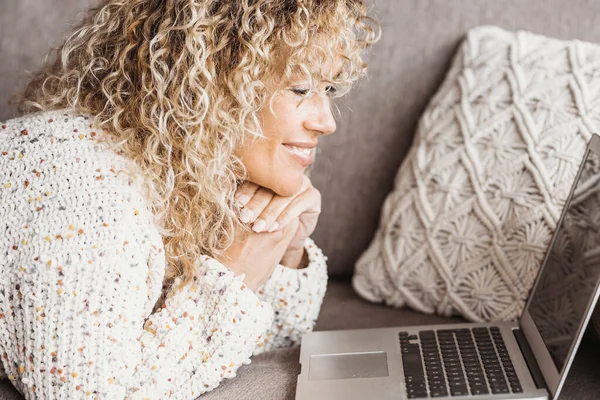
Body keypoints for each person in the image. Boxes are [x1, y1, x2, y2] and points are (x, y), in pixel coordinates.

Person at [0, 0, 380, 398]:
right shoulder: (85, 189)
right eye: (301, 88)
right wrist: (236, 275)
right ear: (207, 82)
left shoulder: (196, 174)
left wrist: (287, 247)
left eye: (329, 88)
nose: (327, 122)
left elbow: (272, 341)